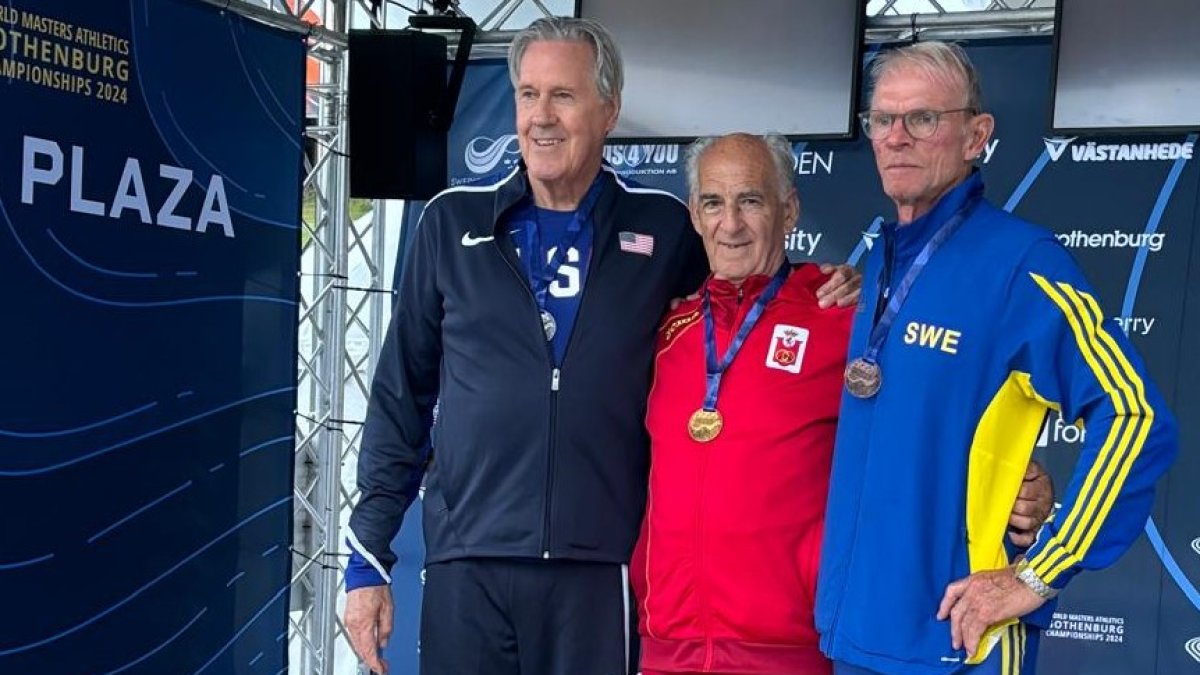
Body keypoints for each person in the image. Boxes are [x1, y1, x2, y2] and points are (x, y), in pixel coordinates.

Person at [340, 18, 860, 675]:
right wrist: (366, 557)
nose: (541, 117)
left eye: (564, 95)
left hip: (599, 573)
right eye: (528, 95)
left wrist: (836, 284)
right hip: (467, 562)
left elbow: (742, 300)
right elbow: (399, 399)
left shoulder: (663, 227)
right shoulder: (451, 222)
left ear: (608, 111)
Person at [815, 41, 1178, 675]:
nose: (896, 137)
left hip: (960, 644)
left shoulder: (1020, 263)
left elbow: (1134, 415)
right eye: (882, 119)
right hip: (857, 635)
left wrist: (1039, 574)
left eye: (923, 118)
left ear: (976, 135)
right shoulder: (878, 261)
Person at [632, 133, 1054, 675]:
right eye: (713, 202)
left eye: (751, 200)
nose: (730, 223)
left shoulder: (845, 321)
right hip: (668, 648)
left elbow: (935, 426)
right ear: (693, 213)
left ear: (789, 211)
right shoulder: (668, 330)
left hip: (794, 648)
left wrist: (1019, 480)